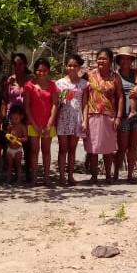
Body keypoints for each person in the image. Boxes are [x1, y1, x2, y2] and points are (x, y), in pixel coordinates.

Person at [82, 48, 122, 183]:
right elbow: (81, 91)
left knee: (108, 148)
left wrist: (118, 117)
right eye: (99, 58)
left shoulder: (115, 77)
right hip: (92, 114)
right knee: (93, 148)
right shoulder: (89, 75)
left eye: (104, 58)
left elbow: (120, 97)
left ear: (110, 61)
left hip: (109, 115)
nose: (101, 61)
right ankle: (94, 176)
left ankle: (108, 176)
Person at [24, 59, 59, 186]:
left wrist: (50, 122)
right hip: (33, 123)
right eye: (39, 70)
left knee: (46, 150)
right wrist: (33, 124)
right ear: (35, 71)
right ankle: (34, 177)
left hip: (48, 124)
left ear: (48, 71)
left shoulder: (52, 85)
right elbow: (27, 106)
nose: (41, 73)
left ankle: (46, 177)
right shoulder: (29, 85)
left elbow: (55, 104)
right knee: (34, 151)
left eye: (44, 70)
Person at [55, 54, 87, 186]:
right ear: (66, 66)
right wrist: (61, 99)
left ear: (79, 67)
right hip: (63, 117)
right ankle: (61, 176)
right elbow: (56, 103)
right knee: (63, 149)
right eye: (69, 65)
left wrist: (85, 120)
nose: (72, 68)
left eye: (75, 65)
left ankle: (70, 176)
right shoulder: (60, 83)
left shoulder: (84, 84)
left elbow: (85, 104)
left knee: (72, 149)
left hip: (76, 118)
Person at [115, 47, 137, 182]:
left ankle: (130, 175)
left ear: (132, 60)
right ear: (119, 60)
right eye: (123, 58)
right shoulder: (115, 75)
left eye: (128, 58)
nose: (125, 61)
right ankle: (115, 174)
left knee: (133, 147)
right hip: (124, 116)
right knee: (121, 147)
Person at [3, 52, 32, 179]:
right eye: (15, 64)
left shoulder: (31, 79)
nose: (17, 66)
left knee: (28, 145)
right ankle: (10, 172)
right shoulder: (10, 80)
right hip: (12, 117)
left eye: (20, 63)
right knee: (10, 143)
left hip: (27, 116)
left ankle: (28, 172)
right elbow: (4, 99)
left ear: (25, 64)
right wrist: (4, 117)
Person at [4, 105, 29, 185]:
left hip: (18, 149)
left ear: (21, 117)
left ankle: (19, 179)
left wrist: (18, 139)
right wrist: (8, 134)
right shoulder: (10, 126)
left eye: (16, 119)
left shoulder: (22, 127)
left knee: (18, 165)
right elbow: (7, 136)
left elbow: (26, 138)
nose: (14, 121)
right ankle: (9, 179)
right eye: (11, 118)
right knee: (10, 165)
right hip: (10, 149)